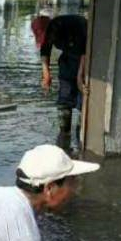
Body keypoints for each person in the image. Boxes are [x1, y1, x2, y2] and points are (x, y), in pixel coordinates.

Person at [31, 12, 87, 152]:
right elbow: (45, 50)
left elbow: (85, 51)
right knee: (64, 101)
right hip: (68, 60)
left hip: (85, 59)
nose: (48, 40)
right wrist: (46, 74)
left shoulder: (73, 26)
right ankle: (64, 135)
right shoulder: (48, 34)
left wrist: (80, 78)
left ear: (52, 30)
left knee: (83, 102)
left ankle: (81, 139)